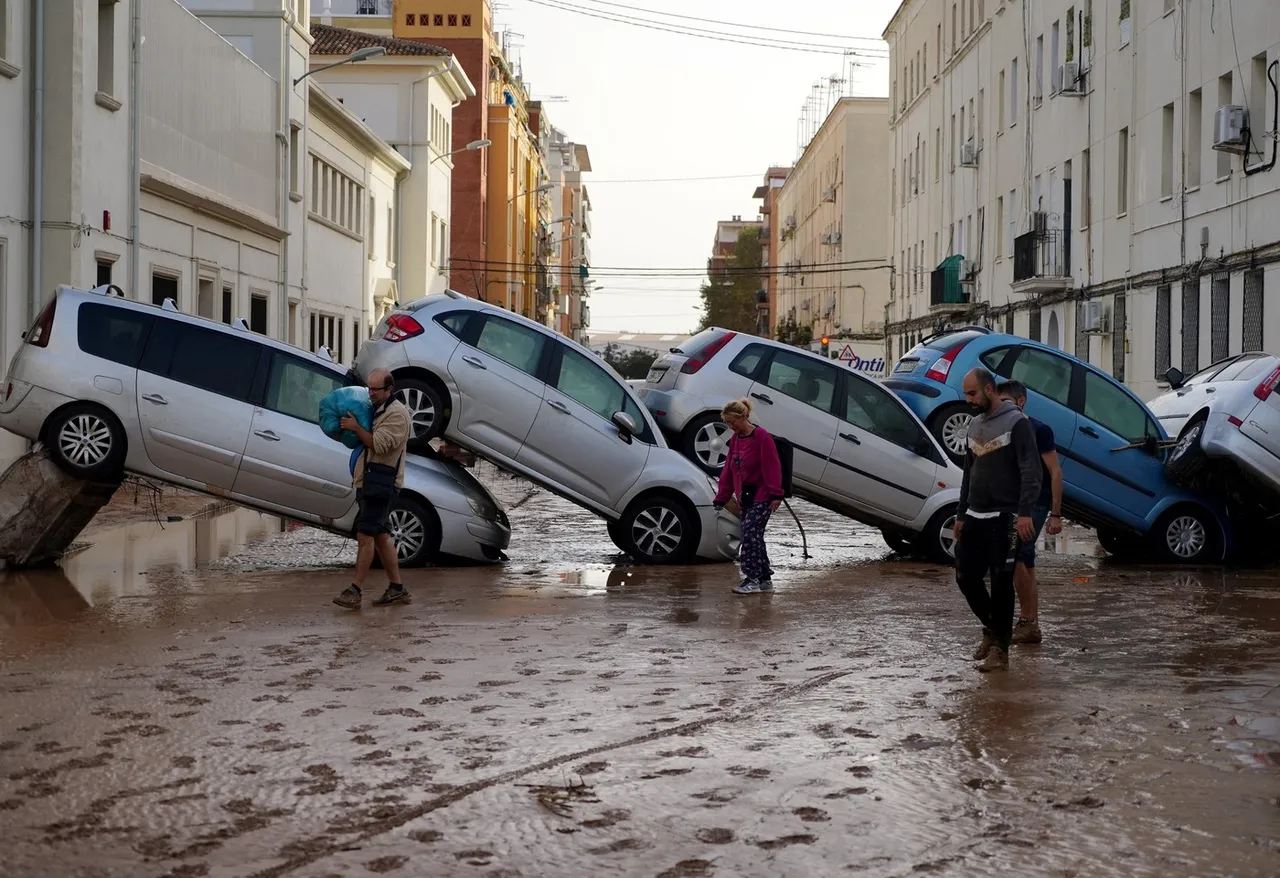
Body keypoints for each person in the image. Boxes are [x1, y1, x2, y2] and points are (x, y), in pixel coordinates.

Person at [953, 368, 1042, 672]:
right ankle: (993, 630)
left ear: (989, 389)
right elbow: (968, 473)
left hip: (1006, 518)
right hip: (975, 516)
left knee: (1003, 584)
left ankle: (1000, 651)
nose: (968, 400)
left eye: (972, 394)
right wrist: (961, 513)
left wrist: (1025, 513)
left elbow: (1032, 471)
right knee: (965, 577)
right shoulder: (974, 425)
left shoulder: (1018, 424)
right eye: (966, 394)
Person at [333, 369, 413, 609]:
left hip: (381, 484)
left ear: (389, 390)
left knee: (365, 534)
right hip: (369, 481)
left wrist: (356, 428)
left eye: (375, 389)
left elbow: (379, 444)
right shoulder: (377, 409)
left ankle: (355, 591)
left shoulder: (398, 415)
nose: (370, 393)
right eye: (368, 388)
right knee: (380, 535)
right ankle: (397, 588)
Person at [997, 380, 1064, 645]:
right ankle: (1032, 624)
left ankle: (1026, 621)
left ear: (1020, 401)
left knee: (1017, 558)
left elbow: (1055, 472)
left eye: (1006, 402)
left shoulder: (1039, 430)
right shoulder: (1002, 428)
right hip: (1012, 503)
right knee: (1026, 562)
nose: (1001, 408)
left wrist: (1055, 514)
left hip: (1036, 502)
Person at [712, 399, 784, 596]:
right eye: (727, 423)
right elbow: (728, 469)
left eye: (732, 422)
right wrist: (722, 496)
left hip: (762, 495)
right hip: (745, 497)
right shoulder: (736, 439)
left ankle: (751, 578)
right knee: (755, 536)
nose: (731, 426)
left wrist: (776, 494)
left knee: (750, 535)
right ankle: (764, 579)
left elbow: (772, 466)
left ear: (744, 417)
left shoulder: (762, 437)